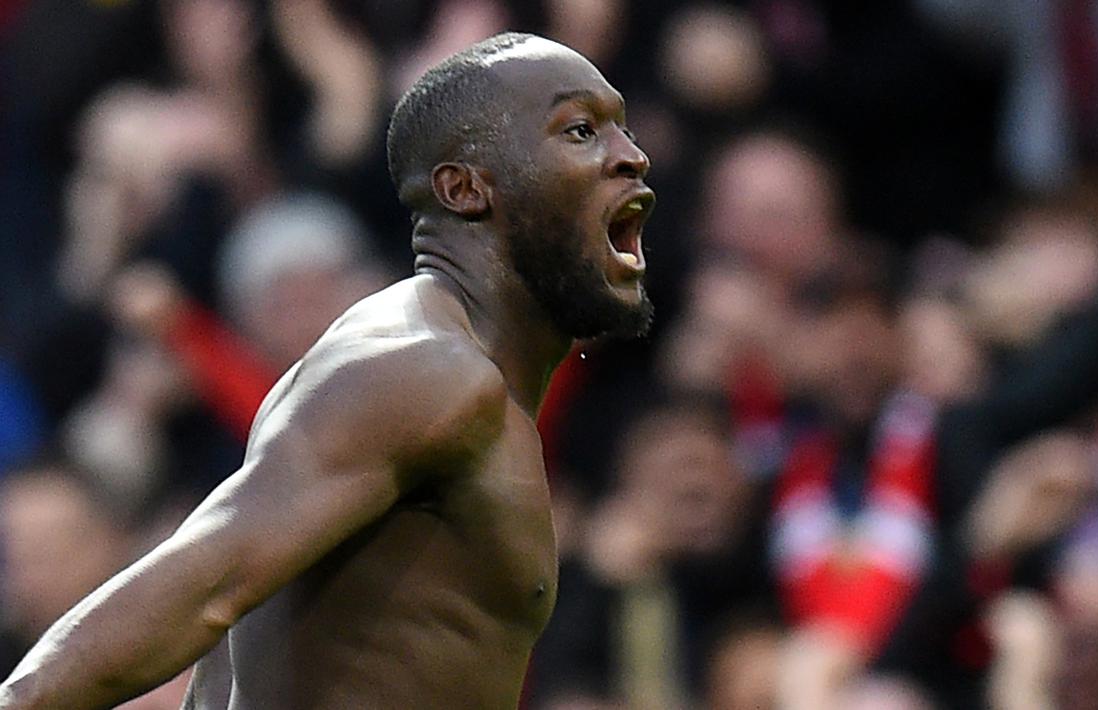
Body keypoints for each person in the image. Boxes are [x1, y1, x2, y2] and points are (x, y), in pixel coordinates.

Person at [0, 31, 655, 709]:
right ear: (464, 188)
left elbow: (230, 651)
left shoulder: (415, 362)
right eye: (581, 131)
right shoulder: (425, 372)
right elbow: (204, 583)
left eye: (624, 129)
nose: (631, 157)